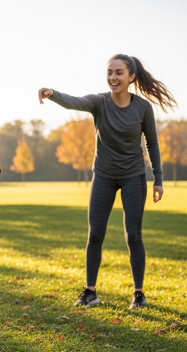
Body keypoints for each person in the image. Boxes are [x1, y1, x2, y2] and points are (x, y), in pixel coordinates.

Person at [38, 54, 177, 309]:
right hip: (103, 175)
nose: (113, 77)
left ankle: (138, 293)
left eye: (119, 73)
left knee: (133, 235)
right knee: (95, 234)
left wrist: (158, 178)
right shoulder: (99, 102)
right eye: (110, 72)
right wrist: (52, 93)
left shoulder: (143, 108)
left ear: (131, 77)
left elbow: (153, 143)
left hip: (133, 175)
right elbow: (74, 102)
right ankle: (90, 291)